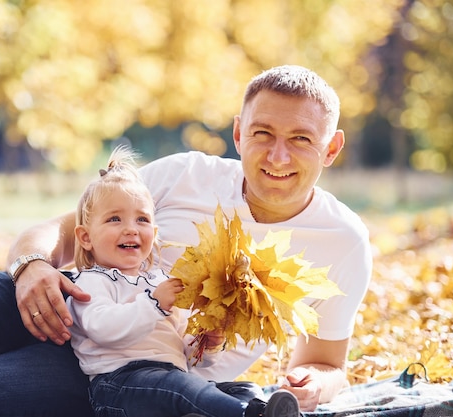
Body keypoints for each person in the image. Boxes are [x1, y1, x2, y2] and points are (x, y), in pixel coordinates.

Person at [0, 64, 373, 416]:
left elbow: (327, 363)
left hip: (118, 368)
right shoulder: (183, 174)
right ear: (238, 132)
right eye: (263, 134)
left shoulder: (342, 242)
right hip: (61, 293)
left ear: (331, 148)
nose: (277, 156)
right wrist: (31, 265)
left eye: (300, 139)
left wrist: (310, 387)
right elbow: (56, 229)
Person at [65, 146, 300, 417]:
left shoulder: (158, 281)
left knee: (239, 388)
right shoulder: (91, 281)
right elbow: (102, 327)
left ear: (153, 232)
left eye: (142, 219)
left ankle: (252, 406)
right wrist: (154, 303)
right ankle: (250, 415)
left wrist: (206, 344)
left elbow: (185, 350)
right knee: (181, 388)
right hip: (120, 386)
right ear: (85, 237)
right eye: (114, 219)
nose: (131, 228)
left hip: (172, 377)